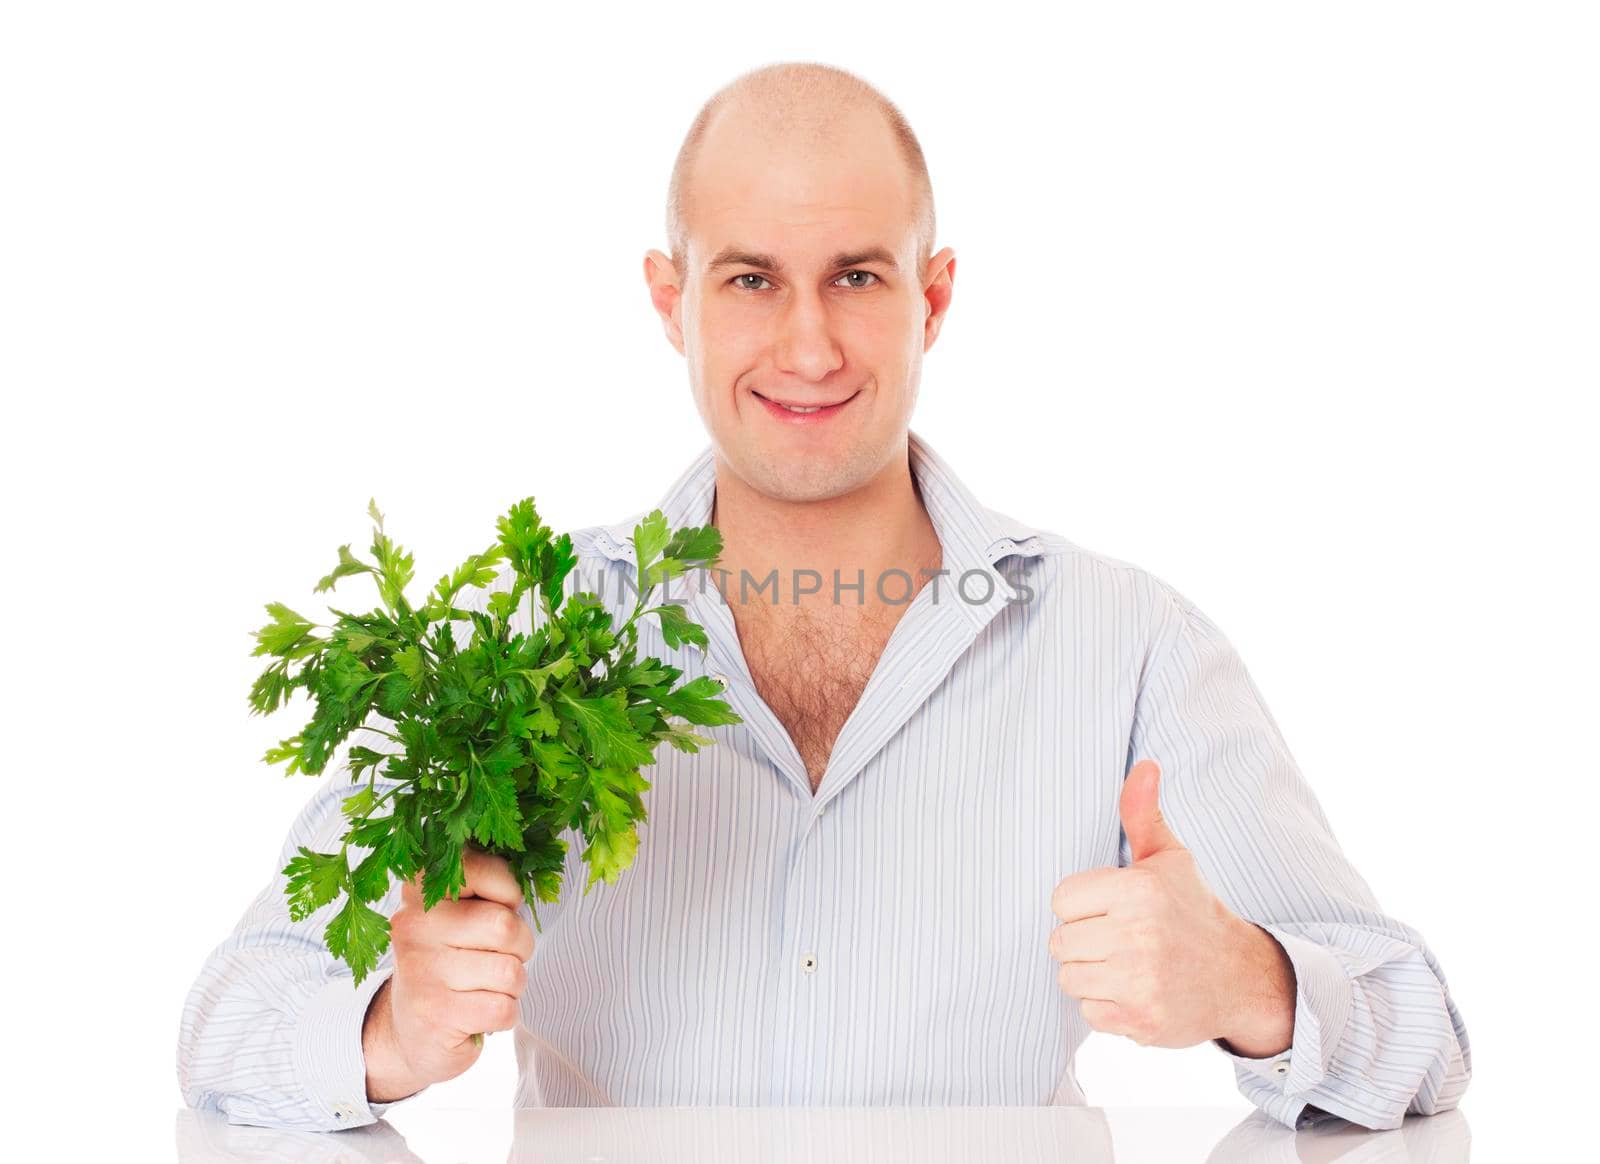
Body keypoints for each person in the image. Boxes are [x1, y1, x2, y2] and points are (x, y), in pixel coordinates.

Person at [177, 60, 1471, 1134]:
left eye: (858, 275)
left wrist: (1251, 983)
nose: (807, 346)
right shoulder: (526, 640)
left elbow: (1422, 1034)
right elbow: (232, 1022)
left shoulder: (1126, 647)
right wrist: (390, 1031)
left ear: (935, 298)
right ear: (669, 302)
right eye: (751, 280)